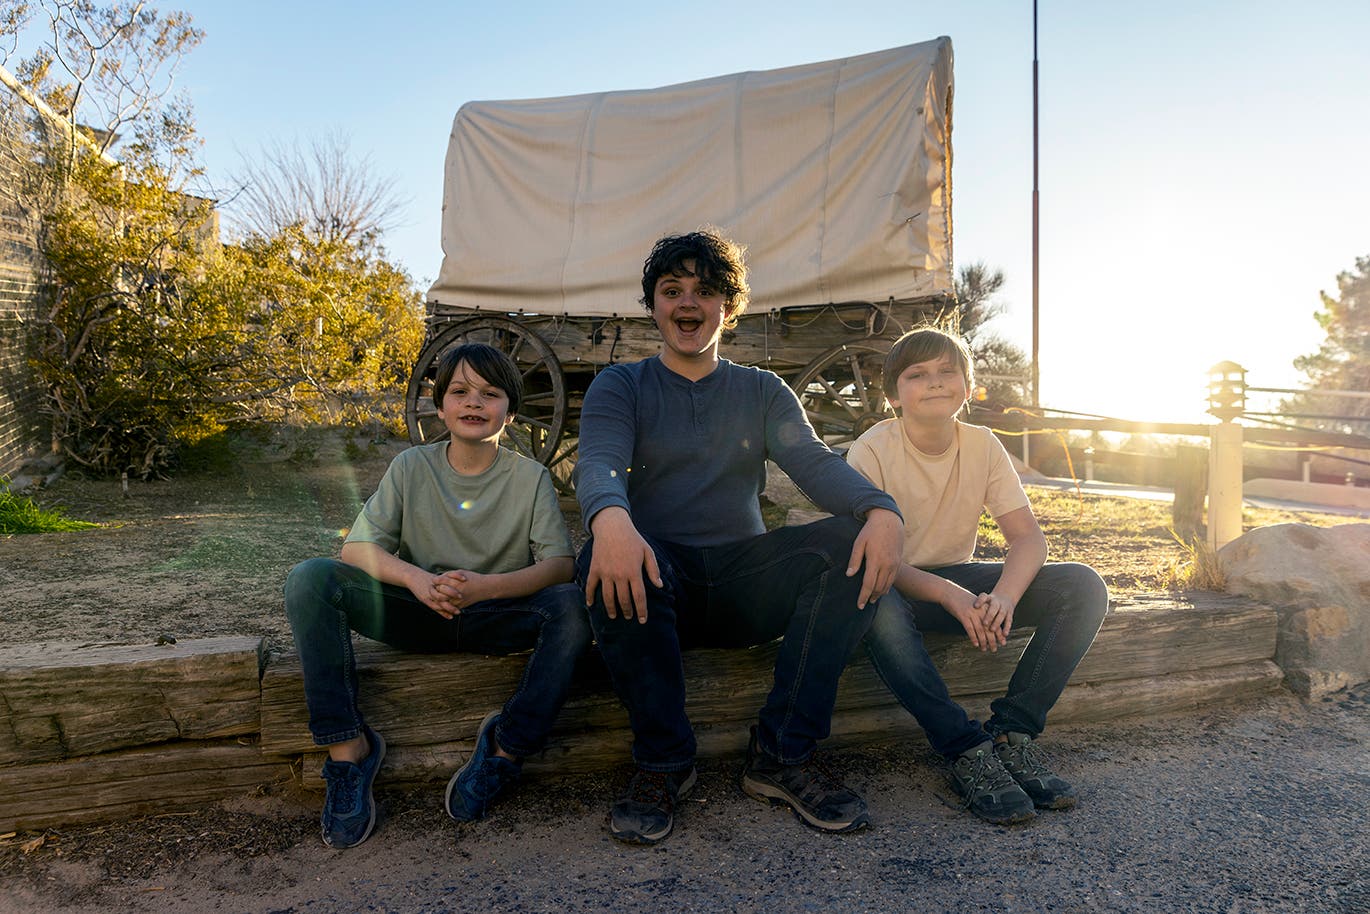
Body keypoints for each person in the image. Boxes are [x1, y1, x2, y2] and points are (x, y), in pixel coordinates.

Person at [573, 229, 905, 845]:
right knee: (601, 551)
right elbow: (597, 461)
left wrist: (880, 509)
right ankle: (665, 763)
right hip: (655, 583)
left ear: (730, 306)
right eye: (672, 290)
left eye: (705, 290)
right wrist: (610, 518)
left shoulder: (761, 390)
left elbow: (812, 462)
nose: (688, 303)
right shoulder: (621, 386)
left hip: (743, 585)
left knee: (843, 546)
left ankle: (782, 753)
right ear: (654, 306)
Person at [284, 342, 590, 848]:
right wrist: (417, 580)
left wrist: (485, 588)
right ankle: (348, 752)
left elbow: (559, 566)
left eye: (490, 393)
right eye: (460, 391)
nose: (474, 403)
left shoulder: (531, 477)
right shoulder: (410, 467)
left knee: (574, 609)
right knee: (311, 579)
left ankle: (505, 750)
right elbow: (357, 549)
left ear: (509, 411)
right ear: (440, 404)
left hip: (496, 614)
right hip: (419, 612)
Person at [845, 326, 1109, 825]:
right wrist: (950, 595)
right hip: (896, 586)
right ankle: (966, 749)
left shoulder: (982, 444)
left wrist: (1004, 598)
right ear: (892, 393)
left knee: (1081, 586)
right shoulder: (871, 450)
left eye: (949, 371)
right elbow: (871, 557)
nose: (936, 382)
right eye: (917, 374)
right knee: (874, 602)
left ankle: (1013, 733)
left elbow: (1027, 538)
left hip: (959, 580)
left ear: (967, 386)